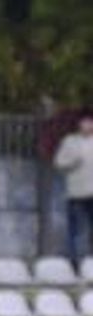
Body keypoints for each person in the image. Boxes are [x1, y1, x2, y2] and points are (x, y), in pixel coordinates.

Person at [53, 109, 93, 268]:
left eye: (90, 122)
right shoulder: (69, 141)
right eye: (84, 123)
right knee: (75, 230)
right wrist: (73, 162)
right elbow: (59, 163)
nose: (87, 125)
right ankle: (74, 263)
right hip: (76, 192)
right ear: (79, 125)